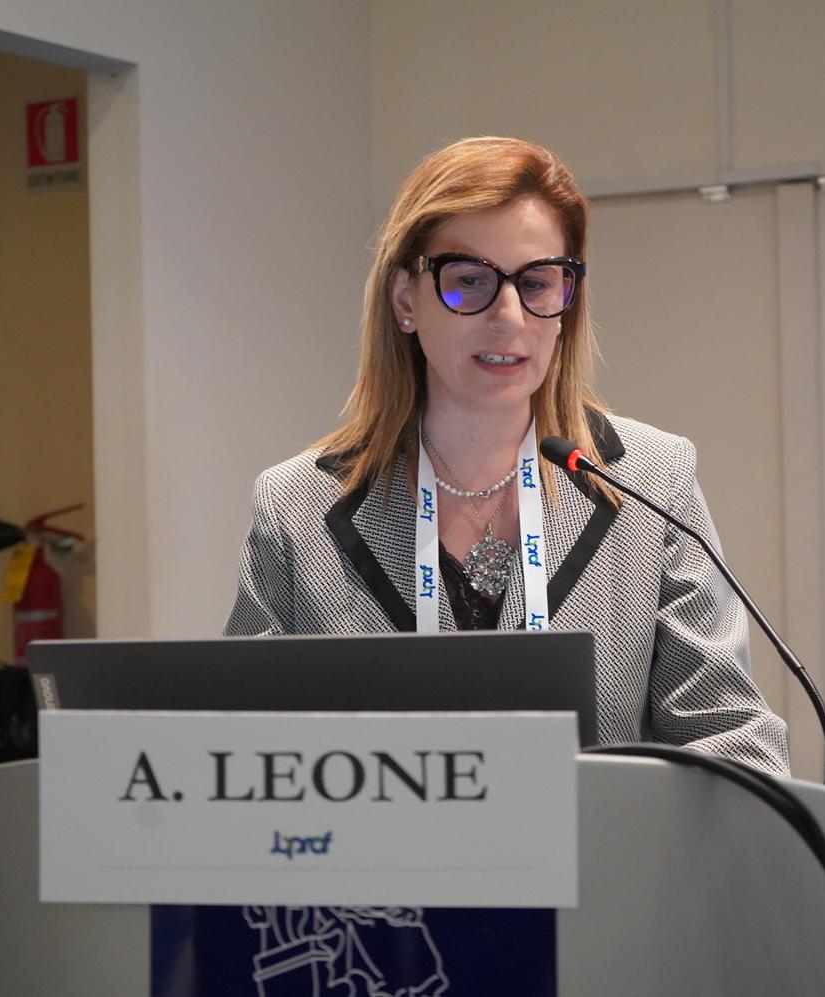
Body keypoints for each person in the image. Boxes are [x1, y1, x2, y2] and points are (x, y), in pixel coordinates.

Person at [226, 136, 789, 776]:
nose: (510, 316)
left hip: (597, 842)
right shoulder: (295, 507)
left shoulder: (652, 480)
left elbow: (733, 738)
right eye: (469, 282)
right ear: (406, 299)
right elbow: (240, 757)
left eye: (538, 283)